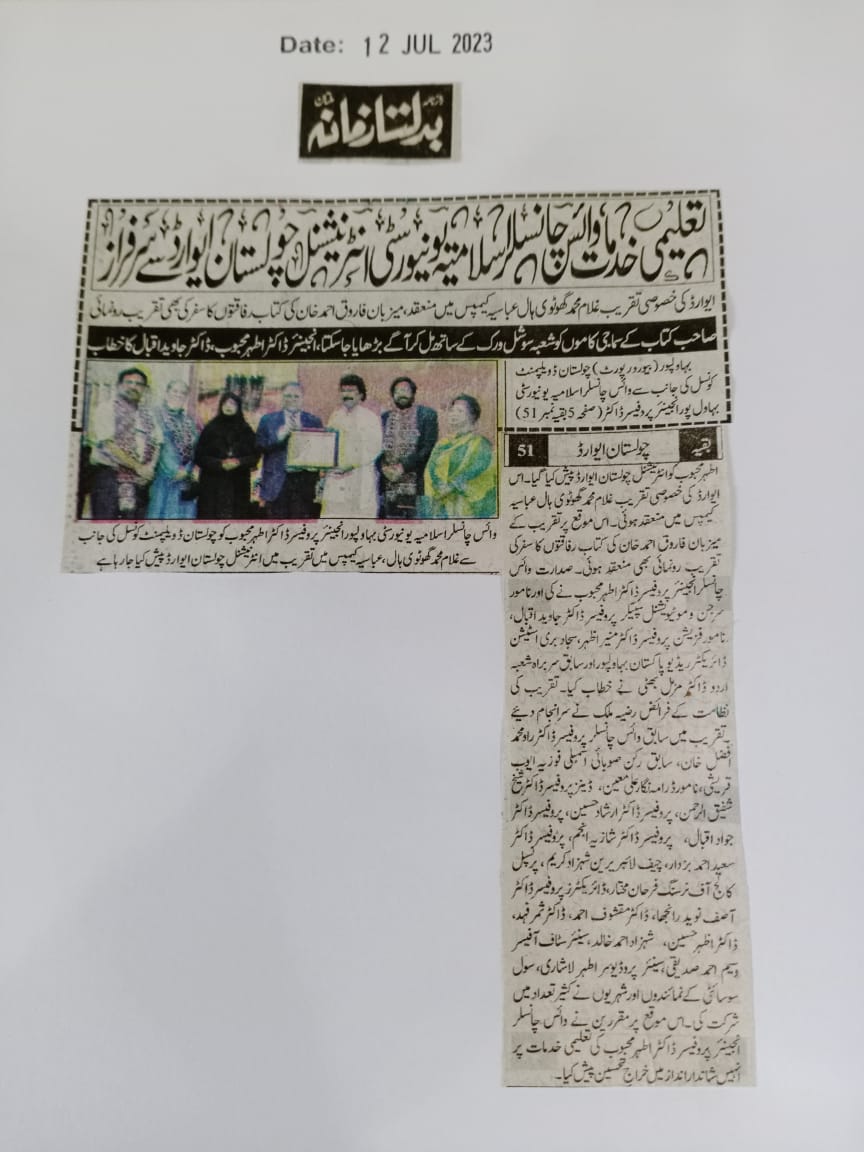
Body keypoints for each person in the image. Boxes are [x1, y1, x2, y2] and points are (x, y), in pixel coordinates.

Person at [86, 366, 162, 519]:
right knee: (106, 527)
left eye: (139, 384)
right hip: (110, 479)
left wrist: (149, 469)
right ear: (119, 385)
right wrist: (139, 467)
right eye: (129, 382)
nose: (133, 387)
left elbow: (158, 442)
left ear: (144, 389)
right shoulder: (106, 408)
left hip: (141, 483)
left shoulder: (148, 414)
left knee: (135, 528)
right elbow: (108, 445)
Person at [255, 380, 324, 518]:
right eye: (288, 396)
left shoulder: (313, 421)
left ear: (303, 398)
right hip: (276, 483)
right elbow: (259, 446)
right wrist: (280, 437)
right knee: (277, 527)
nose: (292, 399)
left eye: (296, 396)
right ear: (282, 397)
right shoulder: (268, 420)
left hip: (303, 483)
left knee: (300, 526)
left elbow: (320, 450)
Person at [421, 394, 497, 519]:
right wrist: (438, 486)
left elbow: (480, 470)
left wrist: (452, 487)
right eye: (452, 410)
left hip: (468, 509)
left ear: (472, 416)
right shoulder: (442, 444)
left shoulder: (480, 443)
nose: (453, 414)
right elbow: (430, 469)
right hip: (442, 506)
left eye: (460, 411)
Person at [320, 373, 383, 518]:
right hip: (336, 477)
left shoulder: (370, 418)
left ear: (361, 394)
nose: (347, 394)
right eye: (343, 390)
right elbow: (328, 446)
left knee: (359, 521)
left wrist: (352, 464)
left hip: (359, 476)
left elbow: (375, 448)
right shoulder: (335, 417)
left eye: (351, 390)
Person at [378, 376, 439, 518]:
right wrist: (384, 468)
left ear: (413, 393)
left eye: (405, 390)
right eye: (398, 391)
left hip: (417, 486)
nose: (402, 394)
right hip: (389, 487)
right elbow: (376, 448)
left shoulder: (426, 415)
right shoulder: (384, 418)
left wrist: (403, 467)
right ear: (393, 395)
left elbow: (428, 448)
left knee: (416, 527)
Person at [193, 391, 260, 519]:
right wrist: (219, 464)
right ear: (221, 406)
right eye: (225, 403)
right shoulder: (210, 428)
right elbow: (199, 457)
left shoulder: (246, 430)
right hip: (213, 486)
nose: (228, 406)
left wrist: (239, 462)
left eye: (232, 404)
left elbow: (254, 457)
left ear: (238, 407)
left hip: (238, 486)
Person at [146, 378, 199, 519]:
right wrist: (173, 470)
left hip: (185, 478)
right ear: (166, 393)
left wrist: (188, 469)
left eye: (182, 393)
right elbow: (161, 445)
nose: (178, 395)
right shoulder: (155, 414)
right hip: (164, 477)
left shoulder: (188, 421)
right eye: (175, 391)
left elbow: (196, 447)